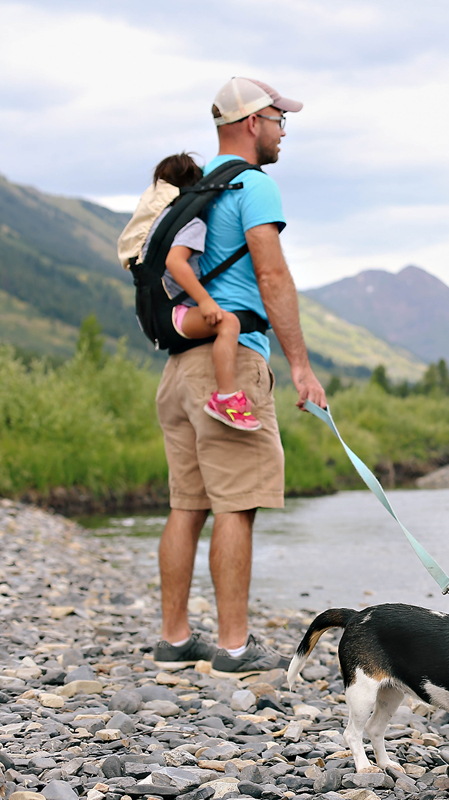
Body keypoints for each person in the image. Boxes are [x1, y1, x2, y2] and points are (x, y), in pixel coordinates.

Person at [152, 77, 326, 678]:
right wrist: (299, 366)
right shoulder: (253, 186)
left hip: (179, 367)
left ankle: (175, 640)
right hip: (231, 364)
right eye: (279, 120)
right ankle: (233, 648)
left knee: (186, 506)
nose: (283, 131)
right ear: (252, 122)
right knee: (237, 504)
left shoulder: (196, 190)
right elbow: (272, 277)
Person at [142, 152, 261, 432]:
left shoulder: (157, 222)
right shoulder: (191, 224)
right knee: (228, 323)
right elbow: (175, 262)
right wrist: (205, 301)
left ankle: (225, 397)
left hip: (157, 313)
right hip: (176, 312)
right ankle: (225, 398)